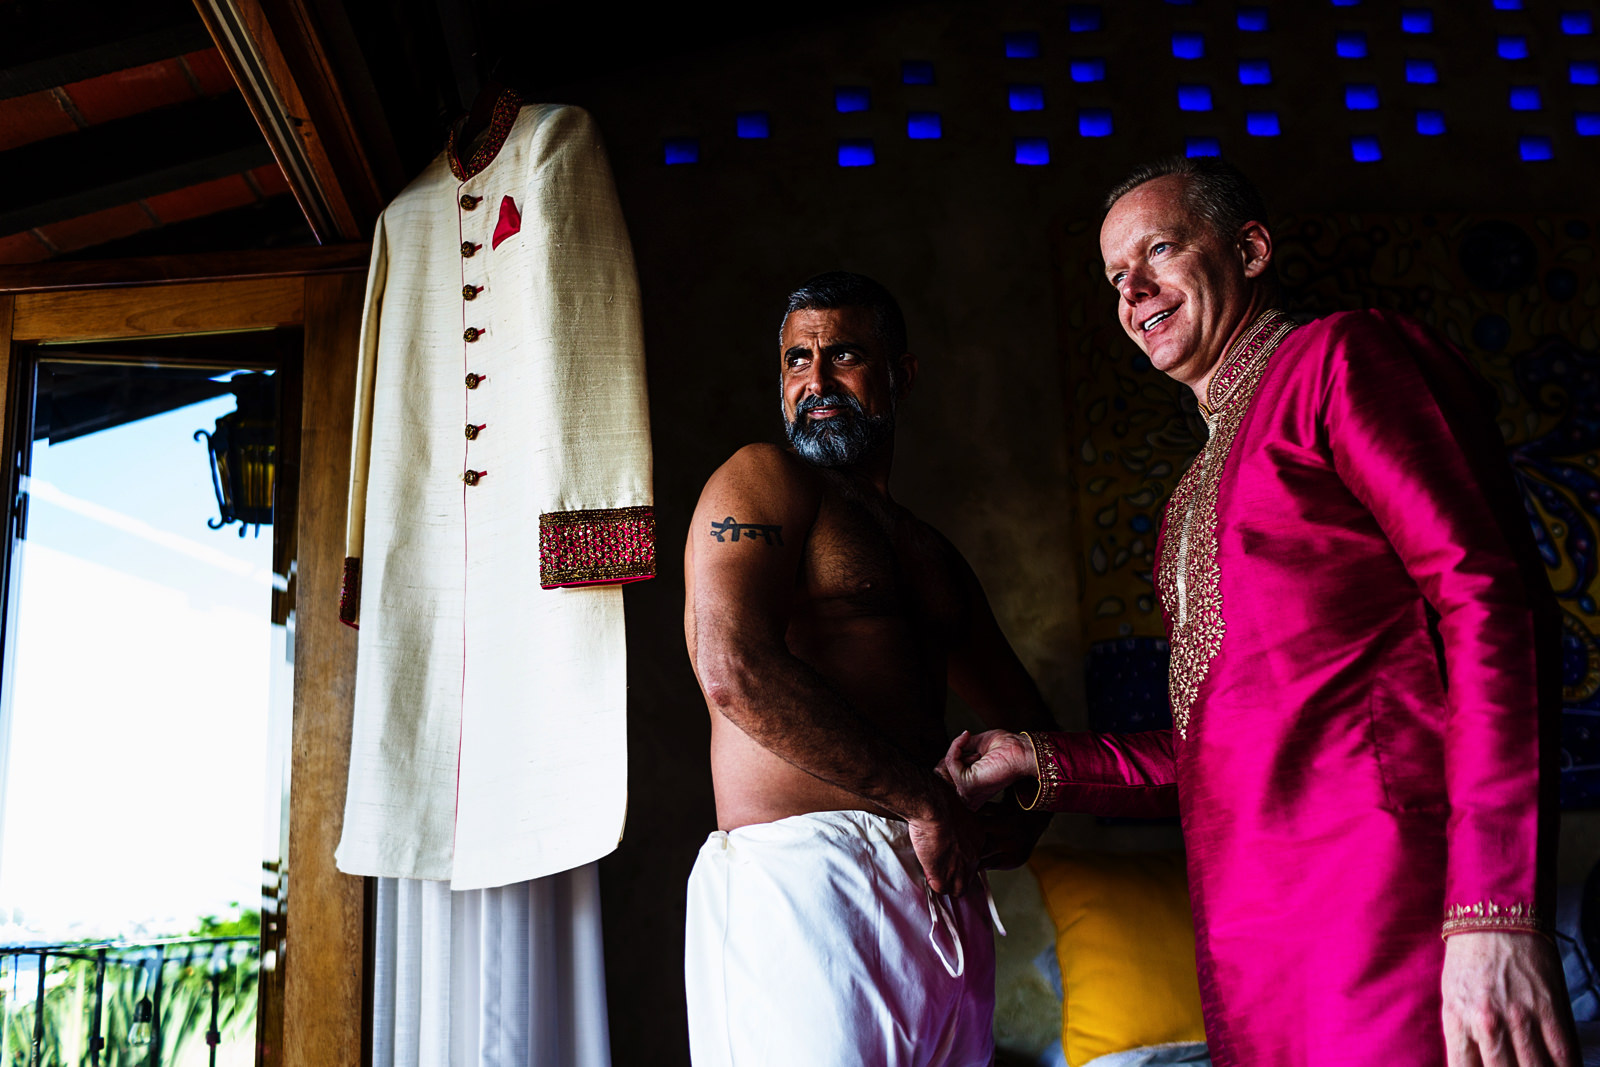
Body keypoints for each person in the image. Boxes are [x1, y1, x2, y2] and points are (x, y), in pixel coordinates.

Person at [941, 158, 1578, 1067]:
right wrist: (1038, 758)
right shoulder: (1187, 499)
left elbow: (1490, 602)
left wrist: (1495, 911)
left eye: (1157, 249)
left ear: (1250, 249)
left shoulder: (1341, 360)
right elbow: (1221, 751)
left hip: (1389, 916)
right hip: (1249, 960)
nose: (1133, 290)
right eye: (1114, 275)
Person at [682, 271, 1054, 1066]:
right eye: (795, 361)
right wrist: (921, 795)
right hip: (803, 882)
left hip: (940, 883)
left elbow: (1035, 731)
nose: (814, 381)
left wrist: (994, 831)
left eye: (843, 354)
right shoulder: (761, 479)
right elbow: (732, 668)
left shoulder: (929, 552)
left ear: (901, 374)